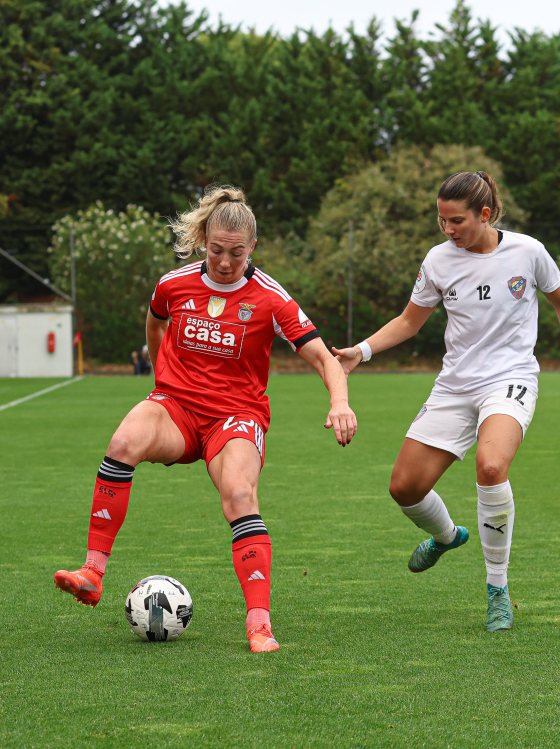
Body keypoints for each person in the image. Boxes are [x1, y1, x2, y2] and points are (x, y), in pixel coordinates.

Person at [53, 185, 357, 653]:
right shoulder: (174, 284)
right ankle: (92, 572)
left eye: (236, 253)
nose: (225, 262)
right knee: (123, 442)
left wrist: (339, 403)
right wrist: (161, 377)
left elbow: (323, 358)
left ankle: (259, 624)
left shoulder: (270, 297)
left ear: (252, 247)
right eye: (216, 250)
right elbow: (155, 321)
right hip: (175, 406)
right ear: (204, 242)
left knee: (239, 494)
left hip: (235, 417)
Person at [331, 171, 560, 632]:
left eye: (456, 221)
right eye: (441, 221)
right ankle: (447, 536)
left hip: (510, 380)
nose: (448, 230)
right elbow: (410, 322)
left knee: (491, 467)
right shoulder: (438, 261)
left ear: (485, 215)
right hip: (455, 386)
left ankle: (497, 590)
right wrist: (363, 351)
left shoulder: (528, 252)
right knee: (404, 487)